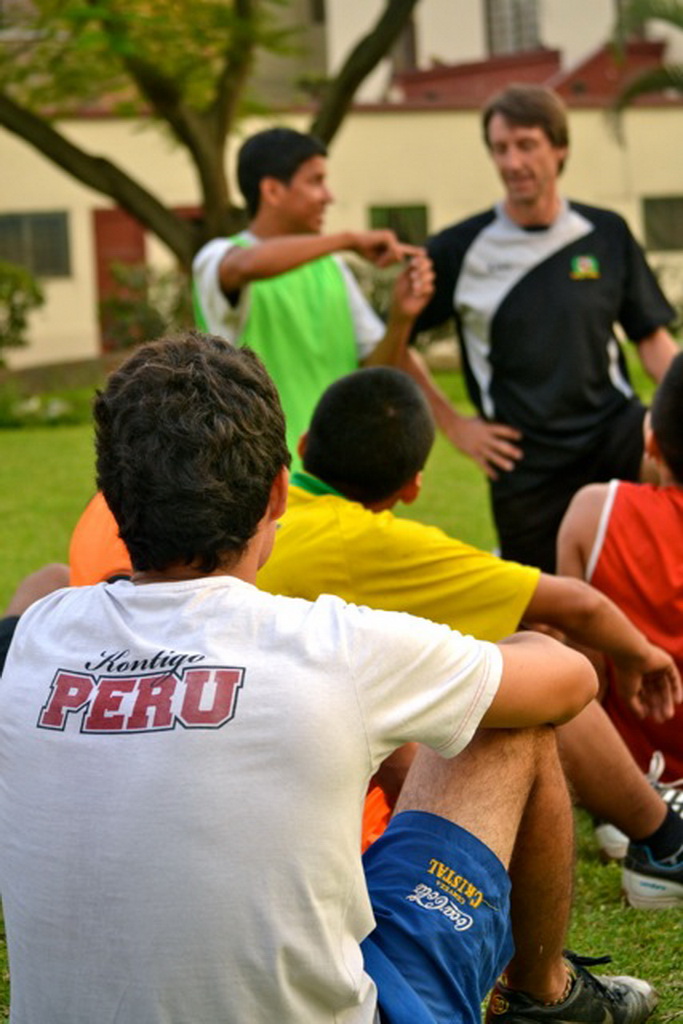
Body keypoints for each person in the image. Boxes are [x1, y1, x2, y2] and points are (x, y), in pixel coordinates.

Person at [0, 331, 656, 1024]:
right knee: (503, 724)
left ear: (110, 496)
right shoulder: (334, 642)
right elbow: (569, 683)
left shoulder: (31, 644)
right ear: (279, 491)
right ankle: (544, 995)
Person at [256, 365, 683, 911]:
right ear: (413, 485)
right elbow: (578, 605)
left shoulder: (264, 514)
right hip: (320, 818)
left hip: (241, 772)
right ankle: (664, 842)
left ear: (304, 446)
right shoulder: (364, 540)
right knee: (535, 668)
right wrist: (642, 654)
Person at [405, 84, 679, 573]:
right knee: (551, 624)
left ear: (560, 148)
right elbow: (390, 343)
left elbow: (652, 339)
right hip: (524, 462)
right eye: (500, 148)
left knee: (666, 516)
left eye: (526, 144)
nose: (512, 162)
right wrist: (457, 427)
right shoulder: (458, 248)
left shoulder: (606, 233)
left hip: (613, 431)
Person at [192, 126, 434, 462]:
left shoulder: (333, 268)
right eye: (316, 181)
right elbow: (243, 266)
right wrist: (348, 239)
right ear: (272, 190)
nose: (329, 196)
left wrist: (400, 319)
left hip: (336, 481)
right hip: (261, 484)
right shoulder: (218, 257)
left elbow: (370, 377)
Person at [558, 350, 683, 886]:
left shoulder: (594, 509)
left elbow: (581, 667)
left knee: (550, 658)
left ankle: (626, 803)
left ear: (650, 441)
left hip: (630, 771)